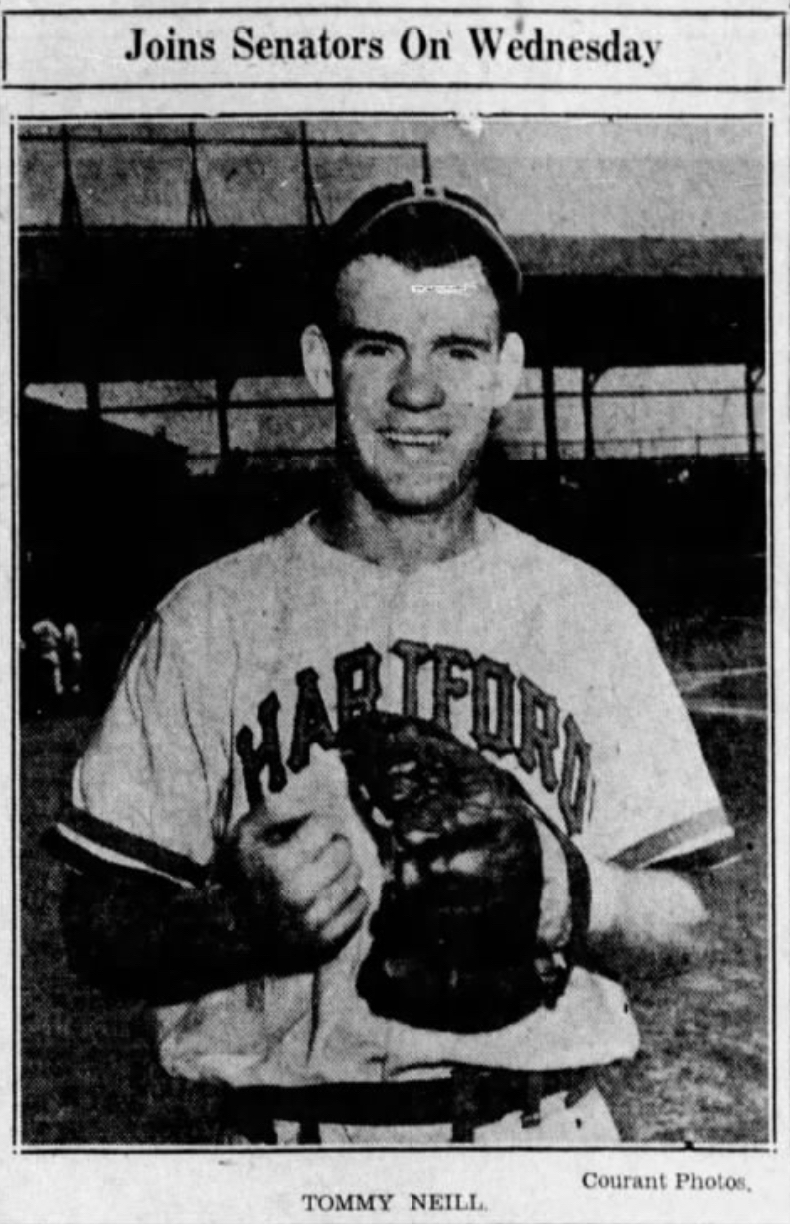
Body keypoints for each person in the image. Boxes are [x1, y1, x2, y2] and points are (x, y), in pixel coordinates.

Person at [46, 182, 734, 1146]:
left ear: (505, 372)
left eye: (457, 350)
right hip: (287, 1156)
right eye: (380, 348)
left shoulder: (589, 615)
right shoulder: (209, 618)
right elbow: (96, 926)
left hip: (537, 1147)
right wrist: (234, 927)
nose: (418, 390)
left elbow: (687, 924)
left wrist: (570, 893)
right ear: (321, 363)